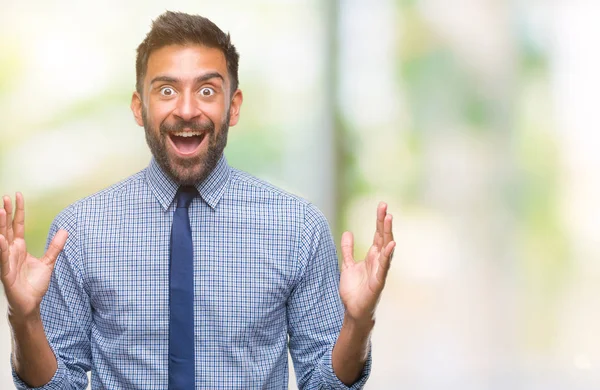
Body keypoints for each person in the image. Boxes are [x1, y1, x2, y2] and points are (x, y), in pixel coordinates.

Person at [0, 11, 395, 390]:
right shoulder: (80, 232)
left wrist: (358, 322)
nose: (187, 110)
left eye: (207, 90)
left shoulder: (298, 228)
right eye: (166, 90)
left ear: (233, 106)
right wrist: (24, 318)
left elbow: (325, 385)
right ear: (140, 107)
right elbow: (56, 387)